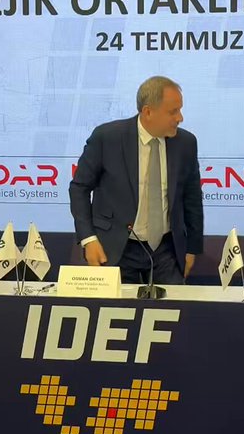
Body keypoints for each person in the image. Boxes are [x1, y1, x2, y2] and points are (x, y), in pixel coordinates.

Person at [69, 76, 204, 285]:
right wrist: (89, 239)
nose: (180, 118)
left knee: (173, 305)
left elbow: (192, 198)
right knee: (117, 306)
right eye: (173, 112)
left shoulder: (186, 143)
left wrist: (192, 248)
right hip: (114, 248)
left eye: (180, 110)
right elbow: (79, 188)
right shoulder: (108, 137)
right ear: (148, 112)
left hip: (167, 250)